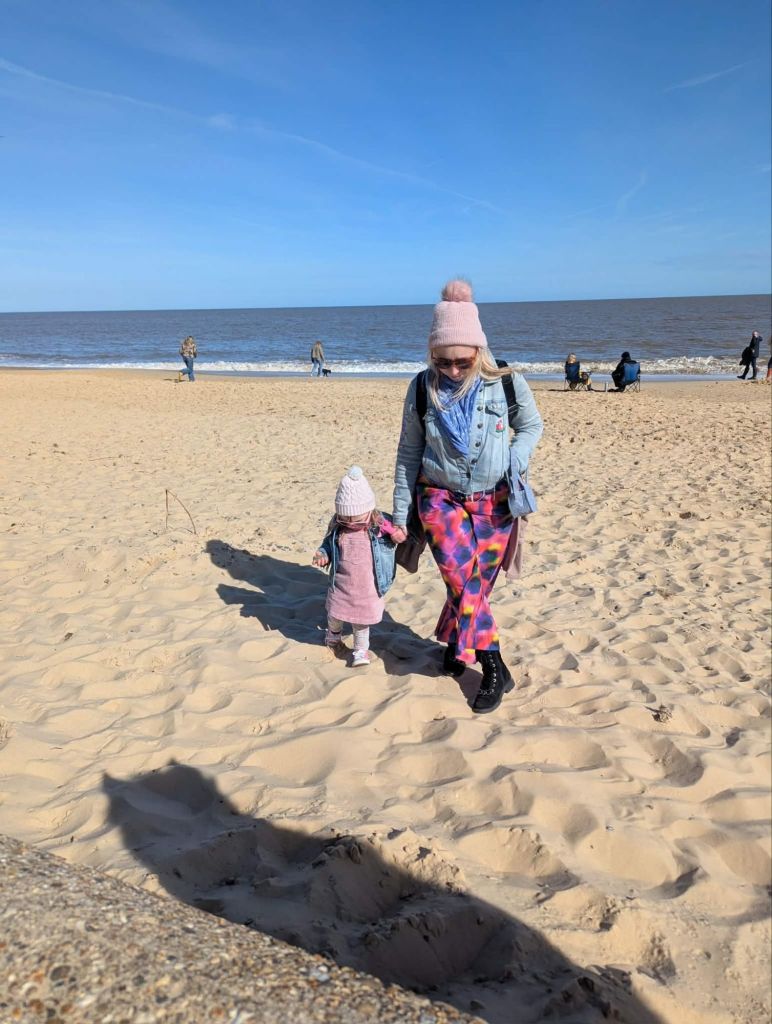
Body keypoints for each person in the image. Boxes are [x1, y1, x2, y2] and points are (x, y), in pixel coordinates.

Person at [391, 279, 543, 714]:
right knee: (462, 578)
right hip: (439, 498)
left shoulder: (507, 382)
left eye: (462, 361)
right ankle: (494, 665)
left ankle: (457, 644)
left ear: (479, 349)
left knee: (476, 585)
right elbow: (408, 452)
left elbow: (531, 426)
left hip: (496, 502)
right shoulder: (421, 388)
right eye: (443, 361)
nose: (453, 371)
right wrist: (401, 513)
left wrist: (514, 456)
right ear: (431, 354)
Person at [312, 466, 397, 668]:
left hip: (366, 587)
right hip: (341, 585)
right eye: (345, 518)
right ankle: (333, 636)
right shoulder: (338, 527)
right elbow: (327, 545)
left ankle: (360, 650)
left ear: (368, 510)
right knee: (335, 614)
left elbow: (396, 539)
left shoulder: (378, 527)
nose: (350, 522)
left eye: (356, 518)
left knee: (361, 623)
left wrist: (396, 534)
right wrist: (323, 555)